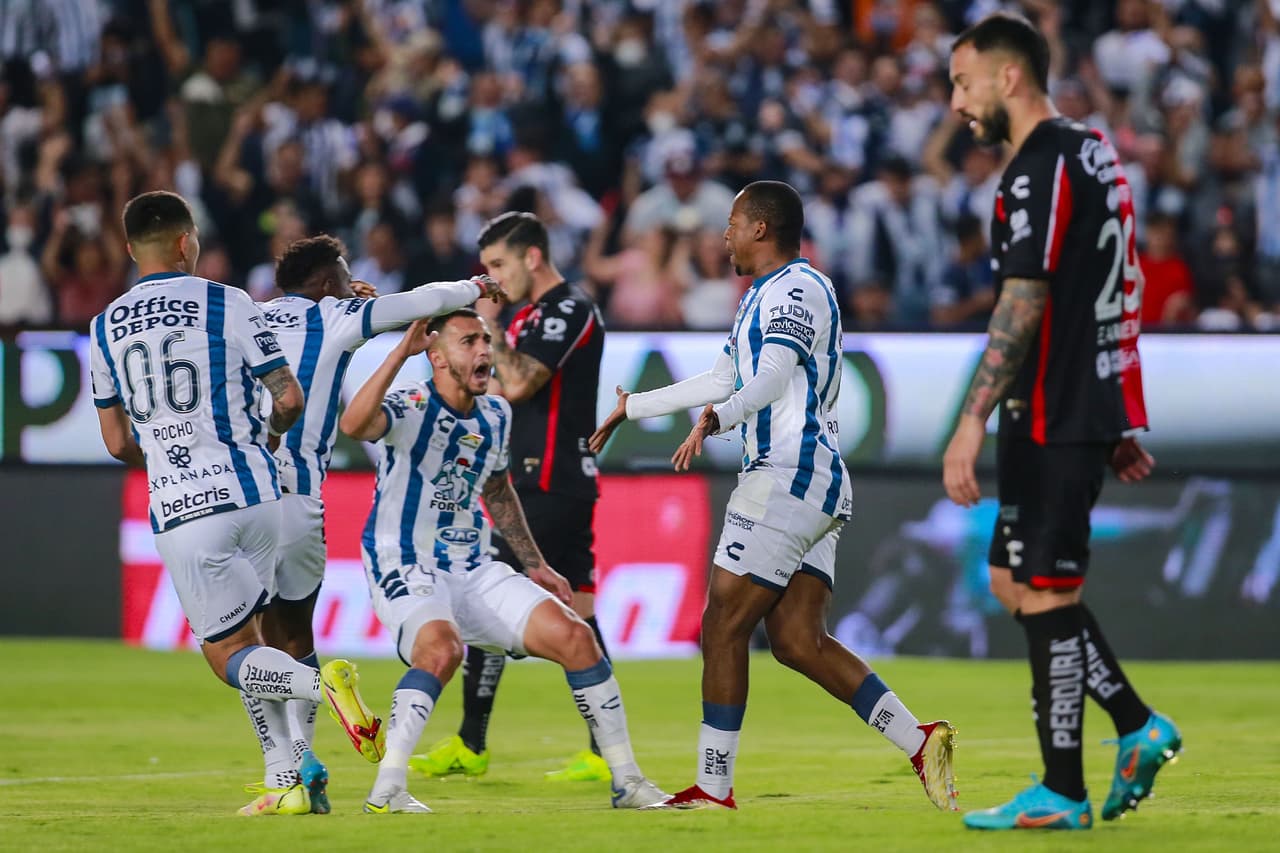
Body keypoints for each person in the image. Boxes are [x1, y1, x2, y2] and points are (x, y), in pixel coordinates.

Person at [589, 180, 957, 811]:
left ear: (761, 229)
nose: (723, 234)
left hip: (785, 474)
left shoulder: (794, 288)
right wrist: (636, 407)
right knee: (797, 641)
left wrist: (718, 419)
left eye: (732, 223)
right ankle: (919, 739)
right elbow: (727, 374)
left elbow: (770, 377)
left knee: (723, 623)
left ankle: (712, 786)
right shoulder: (765, 293)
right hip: (813, 481)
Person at [943, 13, 1181, 832]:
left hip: (1049, 407)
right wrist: (1112, 408)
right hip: (1080, 400)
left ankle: (1063, 788)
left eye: (964, 82)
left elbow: (1027, 296)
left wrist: (969, 420)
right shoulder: (1094, 150)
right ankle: (1136, 723)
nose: (955, 103)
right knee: (1018, 582)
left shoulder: (1035, 170)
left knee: (1047, 591)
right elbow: (1112, 281)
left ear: (1009, 78)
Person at [88, 191, 383, 816]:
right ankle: (289, 780)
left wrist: (167, 453)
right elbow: (289, 397)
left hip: (184, 505)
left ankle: (319, 683)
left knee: (231, 658)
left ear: (131, 250)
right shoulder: (231, 301)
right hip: (258, 494)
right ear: (185, 243)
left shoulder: (104, 325)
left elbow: (116, 441)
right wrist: (262, 439)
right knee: (258, 644)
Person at [338, 309, 667, 813]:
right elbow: (354, 423)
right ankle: (388, 789)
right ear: (438, 356)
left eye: (486, 340)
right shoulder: (411, 404)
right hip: (404, 559)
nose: (485, 351)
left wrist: (534, 563)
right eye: (469, 341)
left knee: (578, 639)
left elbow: (497, 490)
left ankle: (628, 782)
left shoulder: (495, 414)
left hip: (474, 566)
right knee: (443, 650)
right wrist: (398, 353)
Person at [247, 234, 503, 813]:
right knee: (295, 637)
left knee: (250, 646)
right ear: (324, 282)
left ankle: (290, 772)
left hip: (247, 491)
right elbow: (421, 300)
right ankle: (307, 762)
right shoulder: (335, 314)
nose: (352, 282)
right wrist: (477, 286)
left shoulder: (251, 316)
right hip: (303, 500)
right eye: (344, 274)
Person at [412, 211, 614, 783]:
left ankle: (471, 743)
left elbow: (522, 382)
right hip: (539, 479)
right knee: (580, 611)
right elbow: (499, 388)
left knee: (484, 594)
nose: (493, 277)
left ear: (532, 257)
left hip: (549, 478)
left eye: (498, 264)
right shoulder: (528, 318)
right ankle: (603, 749)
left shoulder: (569, 308)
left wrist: (486, 326)